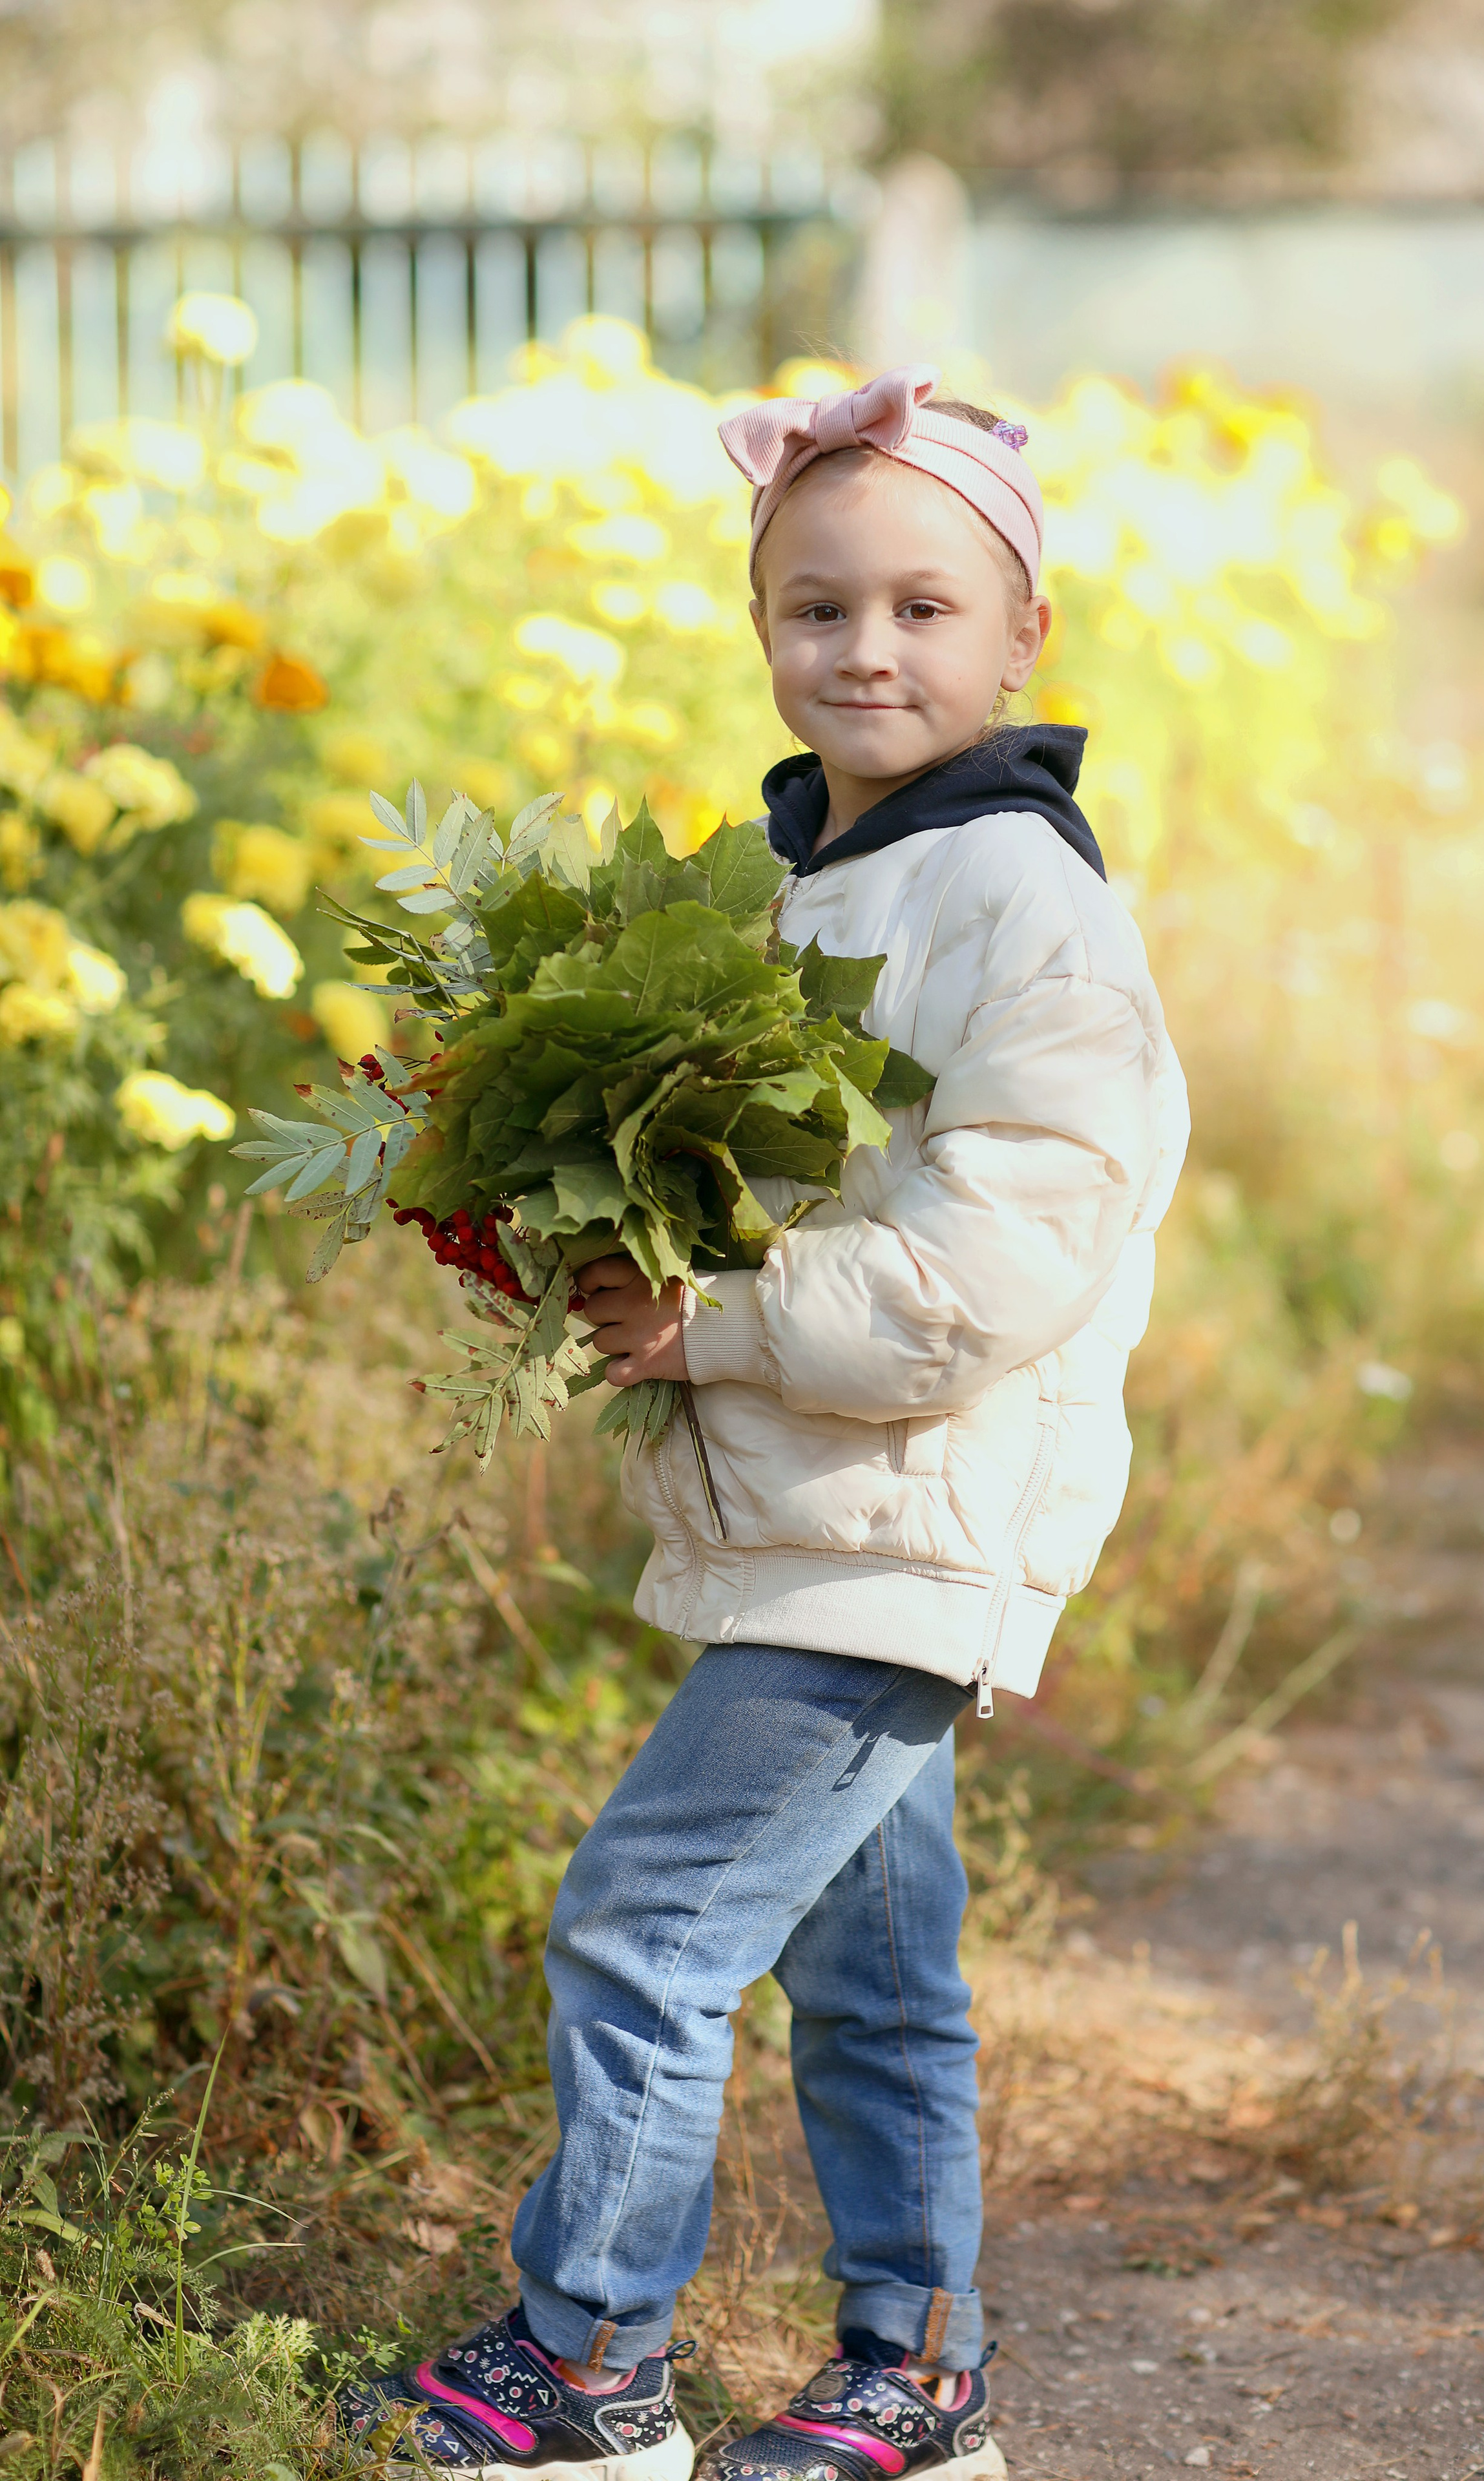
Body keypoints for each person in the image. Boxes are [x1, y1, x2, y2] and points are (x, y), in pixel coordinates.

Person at [342, 364, 1189, 2481]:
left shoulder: (1023, 901)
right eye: (820, 608)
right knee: (877, 1975)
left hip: (904, 1515)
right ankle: (919, 2377)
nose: (866, 648)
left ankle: (589, 2365)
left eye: (921, 608)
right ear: (761, 627)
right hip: (830, 1503)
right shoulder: (796, 874)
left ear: (1023, 641)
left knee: (647, 1923)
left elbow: (1000, 1258)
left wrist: (707, 1318)